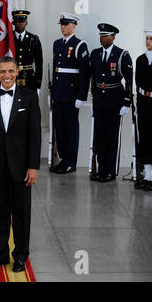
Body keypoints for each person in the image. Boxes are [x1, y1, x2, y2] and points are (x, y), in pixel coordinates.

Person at [0, 56, 41, 272]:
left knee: (22, 212)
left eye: (11, 71)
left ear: (17, 72)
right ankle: (1, 254)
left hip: (22, 167)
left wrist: (34, 166)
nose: (7, 75)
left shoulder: (30, 98)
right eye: (3, 71)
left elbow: (35, 134)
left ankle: (21, 256)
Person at [89, 23, 133, 182]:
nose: (103, 38)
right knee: (100, 137)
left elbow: (129, 79)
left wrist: (126, 102)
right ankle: (101, 170)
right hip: (100, 101)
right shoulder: (94, 54)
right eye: (101, 35)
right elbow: (93, 77)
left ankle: (111, 171)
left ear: (113, 37)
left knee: (112, 137)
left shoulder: (122, 54)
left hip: (115, 101)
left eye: (106, 36)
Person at [51, 12, 90, 174]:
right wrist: (53, 93)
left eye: (66, 24)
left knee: (71, 128)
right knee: (59, 127)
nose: (63, 27)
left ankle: (70, 161)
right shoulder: (57, 44)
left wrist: (82, 96)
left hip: (72, 95)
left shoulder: (80, 45)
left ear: (73, 26)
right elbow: (56, 71)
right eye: (61, 24)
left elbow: (84, 73)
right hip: (59, 93)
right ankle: (62, 159)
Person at [135, 29, 152, 191]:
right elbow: (138, 82)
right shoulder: (141, 60)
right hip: (144, 102)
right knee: (144, 137)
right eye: (147, 38)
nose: (148, 41)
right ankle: (147, 174)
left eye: (151, 39)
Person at [12, 10, 43, 95]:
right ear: (13, 22)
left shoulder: (34, 39)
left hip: (30, 78)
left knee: (29, 105)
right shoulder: (8, 39)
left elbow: (39, 63)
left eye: (23, 21)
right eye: (18, 21)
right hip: (12, 77)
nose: (21, 23)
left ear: (26, 23)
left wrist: (38, 84)